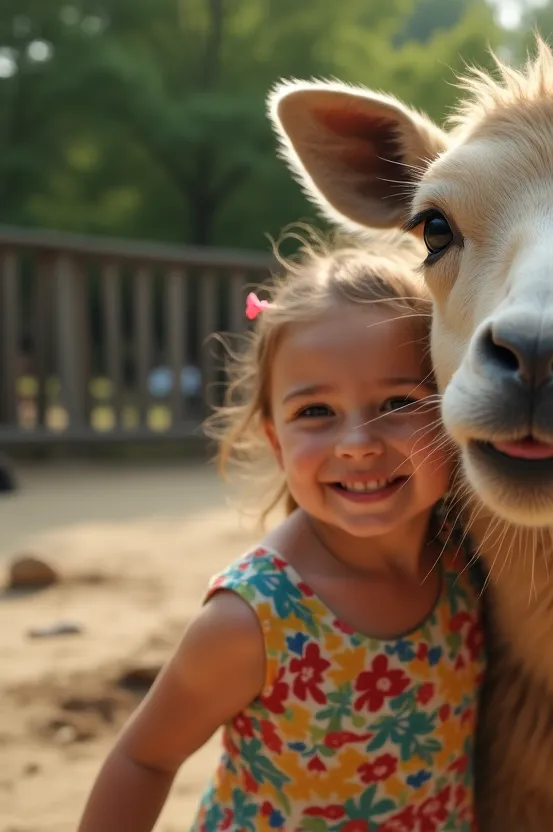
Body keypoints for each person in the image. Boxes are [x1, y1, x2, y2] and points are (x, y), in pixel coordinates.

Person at [78, 239, 484, 832]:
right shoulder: (254, 619)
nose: (357, 443)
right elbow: (144, 757)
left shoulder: (469, 559)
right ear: (276, 439)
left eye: (398, 402)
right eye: (316, 412)